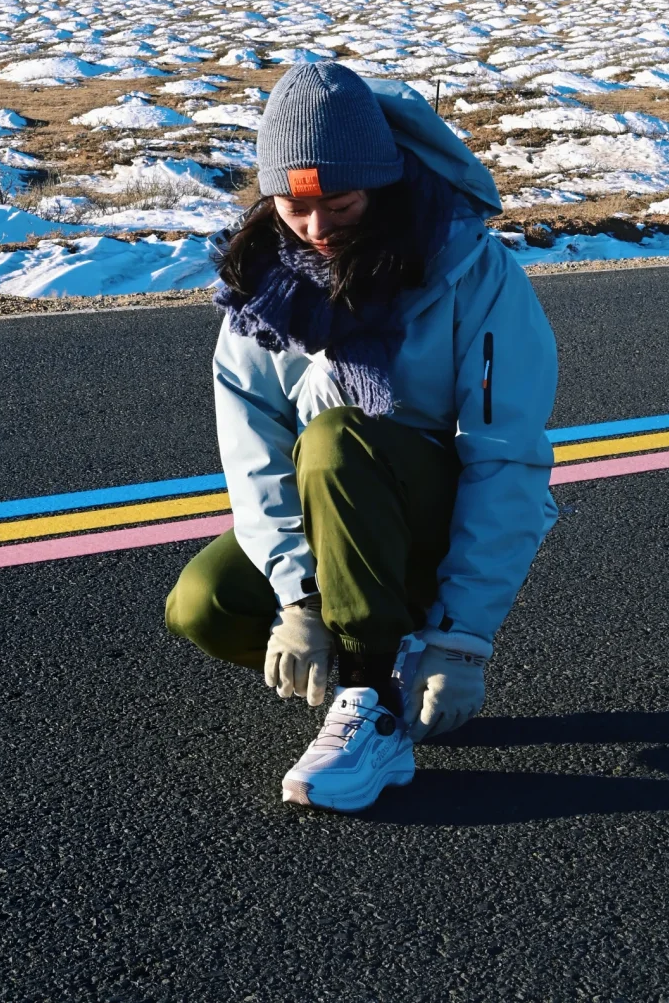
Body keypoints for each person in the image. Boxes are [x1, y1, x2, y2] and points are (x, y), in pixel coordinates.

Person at [165, 61, 558, 812]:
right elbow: (254, 461)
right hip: (335, 518)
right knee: (204, 603)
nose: (315, 230)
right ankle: (371, 665)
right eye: (293, 205)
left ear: (380, 184)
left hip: (432, 517)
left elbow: (504, 457)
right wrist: (299, 600)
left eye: (340, 203)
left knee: (338, 439)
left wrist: (462, 638)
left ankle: (372, 703)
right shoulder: (260, 287)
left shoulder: (470, 269)